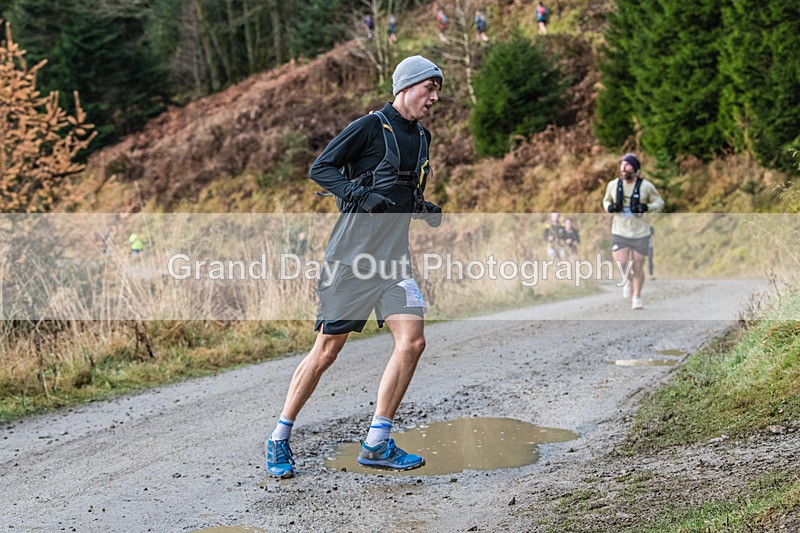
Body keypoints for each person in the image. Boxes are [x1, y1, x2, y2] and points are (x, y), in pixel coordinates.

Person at [265, 55, 444, 478]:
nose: (435, 97)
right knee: (328, 350)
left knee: (413, 341)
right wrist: (359, 195)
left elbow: (398, 190)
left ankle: (377, 442)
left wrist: (421, 207)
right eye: (428, 88)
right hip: (350, 260)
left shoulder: (421, 137)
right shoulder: (368, 127)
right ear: (405, 87)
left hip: (394, 261)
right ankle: (278, 437)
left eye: (438, 90)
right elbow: (320, 168)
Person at [602, 153, 664, 310]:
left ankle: (636, 296)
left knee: (638, 265)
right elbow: (606, 200)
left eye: (627, 164)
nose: (623, 167)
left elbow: (659, 202)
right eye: (622, 164)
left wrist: (647, 207)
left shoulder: (646, 186)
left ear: (635, 168)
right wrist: (609, 208)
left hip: (640, 232)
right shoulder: (613, 185)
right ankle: (628, 280)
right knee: (621, 263)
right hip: (620, 230)